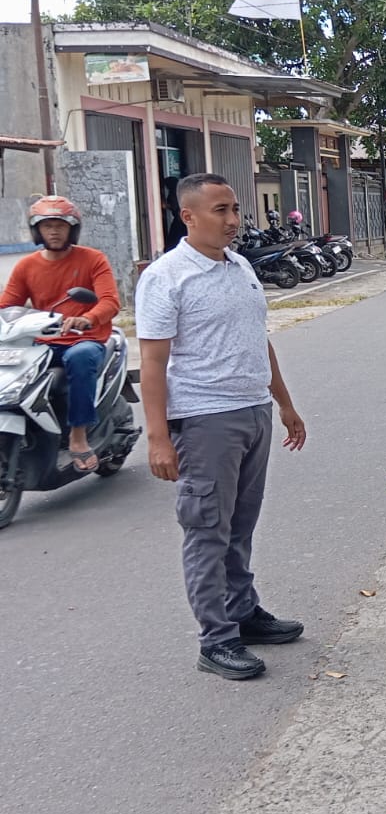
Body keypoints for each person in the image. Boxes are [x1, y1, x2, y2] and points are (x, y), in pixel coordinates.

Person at [135, 174, 307, 681]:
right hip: (205, 419)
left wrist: (285, 403)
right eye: (219, 210)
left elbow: (259, 339)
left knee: (240, 525)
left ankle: (243, 612)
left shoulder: (241, 268)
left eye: (235, 209)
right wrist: (159, 437)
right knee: (208, 530)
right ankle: (216, 639)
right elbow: (151, 362)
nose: (233, 220)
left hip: (252, 411)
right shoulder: (167, 277)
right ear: (188, 216)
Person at [0, 197, 120, 471]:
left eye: (60, 226)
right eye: (47, 226)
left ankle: (78, 436)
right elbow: (8, 305)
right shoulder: (26, 266)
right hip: (43, 340)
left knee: (80, 358)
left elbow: (110, 301)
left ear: (72, 230)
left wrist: (87, 319)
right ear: (37, 231)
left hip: (84, 339)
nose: (54, 231)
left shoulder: (93, 259)